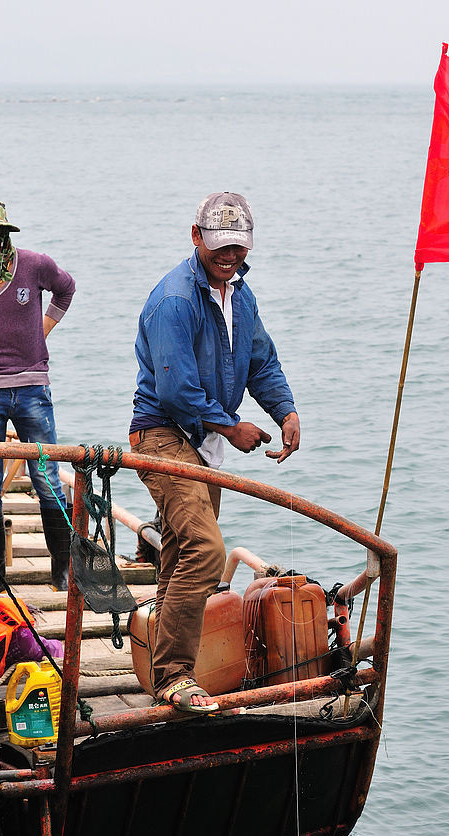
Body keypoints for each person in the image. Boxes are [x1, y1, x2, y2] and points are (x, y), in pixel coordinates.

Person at [129, 191, 300, 714]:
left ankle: (159, 666)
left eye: (238, 247)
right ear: (197, 238)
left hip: (201, 441)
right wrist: (232, 426)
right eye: (220, 245)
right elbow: (176, 388)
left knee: (182, 551)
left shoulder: (240, 296)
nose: (229, 256)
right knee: (205, 551)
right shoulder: (175, 301)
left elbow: (260, 360)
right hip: (162, 433)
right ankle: (175, 677)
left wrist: (285, 411)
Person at [0, 197, 75, 594]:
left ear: (3, 232)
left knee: (46, 477)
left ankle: (60, 570)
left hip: (32, 387)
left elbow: (66, 289)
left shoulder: (33, 264)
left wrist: (41, 331)